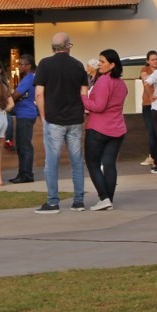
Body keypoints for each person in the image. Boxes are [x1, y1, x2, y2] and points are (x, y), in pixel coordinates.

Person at [33, 32, 88, 213]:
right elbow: (84, 93)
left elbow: (39, 94)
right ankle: (78, 201)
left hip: (54, 119)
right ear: (68, 46)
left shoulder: (45, 64)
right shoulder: (78, 65)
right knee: (77, 161)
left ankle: (53, 202)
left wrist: (43, 117)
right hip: (75, 119)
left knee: (52, 162)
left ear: (53, 48)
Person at [81, 49, 128, 210]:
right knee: (109, 164)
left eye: (102, 61)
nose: (99, 64)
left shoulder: (103, 81)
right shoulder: (121, 84)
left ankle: (104, 197)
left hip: (98, 129)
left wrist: (83, 97)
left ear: (112, 64)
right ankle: (108, 200)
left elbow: (98, 106)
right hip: (117, 129)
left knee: (93, 163)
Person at [9, 54, 38, 183]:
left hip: (26, 114)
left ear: (29, 65)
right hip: (23, 114)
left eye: (21, 64)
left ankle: (27, 174)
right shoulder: (28, 78)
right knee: (21, 146)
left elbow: (16, 95)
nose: (19, 66)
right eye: (19, 64)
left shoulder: (28, 78)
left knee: (24, 146)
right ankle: (22, 173)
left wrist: (7, 101)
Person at [138, 50, 157, 167]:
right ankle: (152, 156)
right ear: (148, 61)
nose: (155, 61)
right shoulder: (145, 69)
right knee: (151, 130)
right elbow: (145, 79)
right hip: (148, 104)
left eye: (156, 59)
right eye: (152, 60)